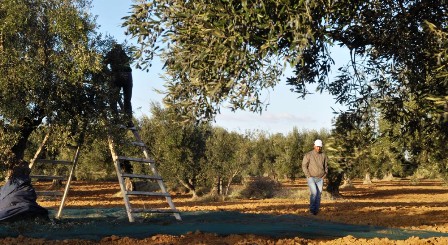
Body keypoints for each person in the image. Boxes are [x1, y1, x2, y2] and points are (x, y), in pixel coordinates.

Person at [104, 43, 134, 126]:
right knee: (127, 100)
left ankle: (116, 120)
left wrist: (109, 73)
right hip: (128, 76)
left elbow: (103, 64)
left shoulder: (111, 53)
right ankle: (128, 121)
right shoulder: (124, 55)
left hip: (117, 76)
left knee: (113, 99)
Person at [302, 139, 328, 215]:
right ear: (314, 146)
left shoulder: (323, 155)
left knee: (319, 194)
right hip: (311, 178)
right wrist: (308, 176)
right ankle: (312, 210)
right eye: (317, 146)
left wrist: (324, 175)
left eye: (320, 147)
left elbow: (326, 167)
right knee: (314, 193)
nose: (318, 148)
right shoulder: (308, 155)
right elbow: (304, 165)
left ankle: (316, 211)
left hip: (320, 178)